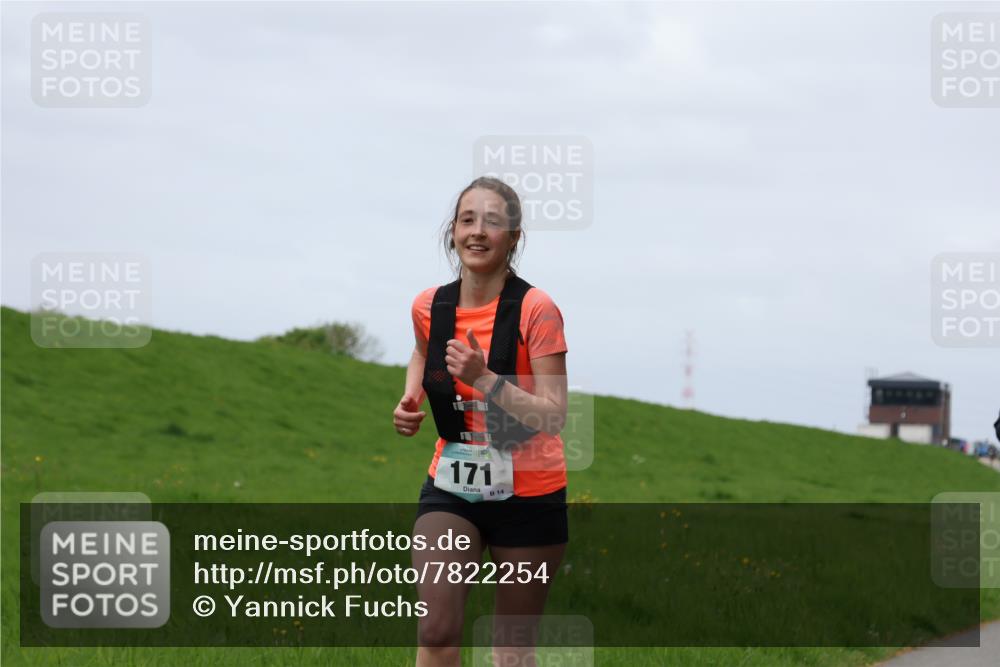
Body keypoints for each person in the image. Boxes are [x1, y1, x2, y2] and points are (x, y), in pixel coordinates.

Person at [393, 176, 570, 667]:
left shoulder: (537, 309)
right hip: (451, 485)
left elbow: (555, 414)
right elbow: (423, 351)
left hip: (530, 494)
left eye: (492, 222)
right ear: (452, 231)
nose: (477, 231)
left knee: (511, 649)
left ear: (513, 237)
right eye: (467, 220)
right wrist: (411, 396)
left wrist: (485, 379)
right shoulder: (429, 305)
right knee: (435, 629)